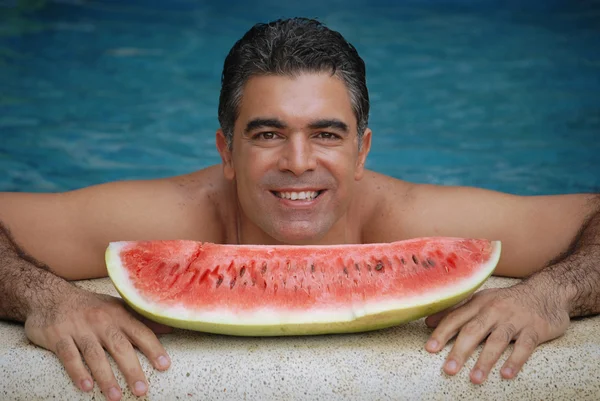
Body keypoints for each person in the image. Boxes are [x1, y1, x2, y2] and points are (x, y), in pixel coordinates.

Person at [1, 17, 598, 401]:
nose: (297, 161)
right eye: (266, 134)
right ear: (225, 151)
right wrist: (47, 298)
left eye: (327, 134)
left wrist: (550, 294)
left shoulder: (408, 216)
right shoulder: (175, 213)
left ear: (362, 150)